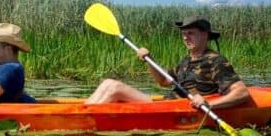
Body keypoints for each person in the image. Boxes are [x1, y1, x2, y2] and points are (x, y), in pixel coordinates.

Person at [85, 16, 250, 111]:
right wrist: (150, 61)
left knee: (114, 87)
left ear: (205, 35)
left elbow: (242, 93)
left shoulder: (216, 61)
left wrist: (210, 104)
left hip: (177, 109)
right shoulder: (186, 61)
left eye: (191, 33)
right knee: (107, 83)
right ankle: (81, 112)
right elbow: (163, 81)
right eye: (184, 34)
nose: (186, 37)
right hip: (166, 104)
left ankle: (81, 117)